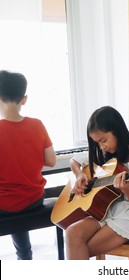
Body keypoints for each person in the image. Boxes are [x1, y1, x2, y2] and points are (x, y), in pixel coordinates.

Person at [65, 106, 129, 260]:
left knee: (80, 247)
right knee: (72, 233)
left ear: (117, 130)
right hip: (111, 210)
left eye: (103, 140)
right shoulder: (106, 153)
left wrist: (127, 190)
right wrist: (79, 176)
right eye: (97, 143)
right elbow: (74, 160)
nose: (101, 146)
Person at [0, 70, 56, 260]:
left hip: (4, 204)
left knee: (8, 198)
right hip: (33, 200)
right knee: (17, 197)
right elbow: (51, 161)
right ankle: (25, 257)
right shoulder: (37, 125)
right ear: (24, 99)